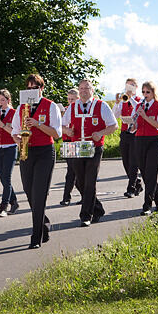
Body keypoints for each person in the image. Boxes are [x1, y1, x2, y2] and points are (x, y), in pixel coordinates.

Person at [14, 73, 61, 249]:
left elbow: (56, 134)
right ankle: (43, 223)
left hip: (44, 152)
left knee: (39, 193)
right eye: (29, 88)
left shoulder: (51, 106)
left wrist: (37, 124)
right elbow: (14, 131)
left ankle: (36, 236)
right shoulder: (21, 108)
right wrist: (18, 140)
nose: (32, 90)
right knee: (28, 190)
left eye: (35, 87)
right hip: (27, 151)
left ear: (41, 89)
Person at [61, 79, 117, 227]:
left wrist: (101, 132)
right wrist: (67, 130)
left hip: (94, 147)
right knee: (79, 182)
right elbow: (61, 125)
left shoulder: (101, 105)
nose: (84, 91)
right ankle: (97, 208)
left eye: (87, 88)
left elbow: (113, 126)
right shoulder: (72, 107)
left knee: (90, 181)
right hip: (77, 146)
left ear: (92, 90)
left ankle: (86, 215)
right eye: (81, 88)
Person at [133, 81, 158, 215]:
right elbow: (135, 126)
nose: (145, 95)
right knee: (145, 173)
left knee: (151, 172)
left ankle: (147, 205)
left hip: (154, 140)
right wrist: (133, 124)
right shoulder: (139, 106)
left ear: (153, 93)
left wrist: (145, 116)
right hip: (139, 139)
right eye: (143, 92)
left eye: (148, 92)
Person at [0, 89, 19, 217]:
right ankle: (14, 202)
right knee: (3, 178)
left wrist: (2, 125)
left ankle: (3, 207)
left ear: (8, 100)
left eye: (2, 100)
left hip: (10, 147)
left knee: (6, 177)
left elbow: (14, 131)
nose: (0, 102)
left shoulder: (14, 113)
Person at [117, 78, 143, 197]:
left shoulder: (139, 100)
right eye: (127, 85)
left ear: (136, 87)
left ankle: (131, 188)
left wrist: (130, 97)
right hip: (124, 133)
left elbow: (138, 107)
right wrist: (118, 103)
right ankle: (137, 183)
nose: (129, 88)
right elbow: (115, 115)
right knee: (126, 161)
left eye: (132, 85)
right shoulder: (123, 100)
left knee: (133, 162)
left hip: (135, 133)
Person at [59, 87, 80, 206]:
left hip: (76, 141)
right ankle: (67, 196)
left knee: (74, 170)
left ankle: (67, 196)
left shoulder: (79, 109)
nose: (70, 101)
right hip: (67, 142)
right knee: (71, 169)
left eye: (72, 99)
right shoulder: (66, 109)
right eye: (68, 99)